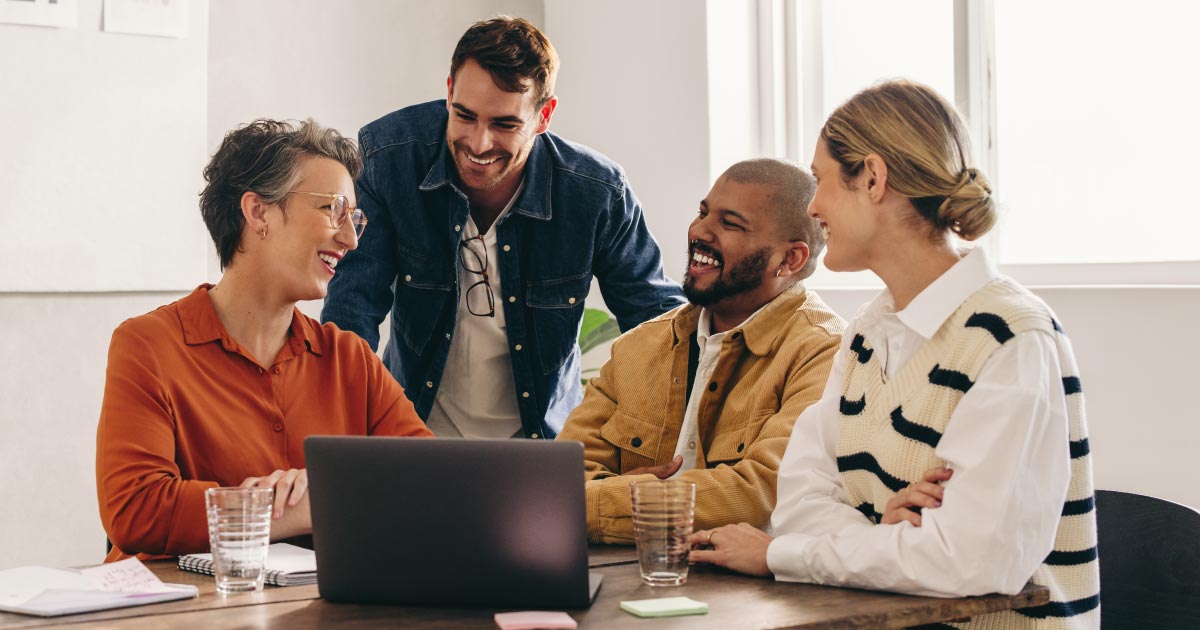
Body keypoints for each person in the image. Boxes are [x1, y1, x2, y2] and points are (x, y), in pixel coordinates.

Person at [689, 80, 1099, 629]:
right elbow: (797, 504)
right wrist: (884, 536)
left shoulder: (1013, 338)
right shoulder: (866, 333)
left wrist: (776, 556)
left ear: (874, 179)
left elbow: (968, 565)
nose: (812, 206)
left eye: (821, 180)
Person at [320, 16, 684, 440]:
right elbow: (353, 311)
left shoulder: (597, 193)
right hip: (413, 435)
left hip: (541, 446)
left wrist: (642, 445)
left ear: (544, 115)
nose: (478, 143)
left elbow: (659, 328)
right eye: (465, 116)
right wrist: (345, 441)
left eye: (505, 124)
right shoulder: (389, 157)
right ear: (449, 92)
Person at [96, 119, 432, 562]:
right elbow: (136, 510)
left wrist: (322, 496)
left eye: (355, 218)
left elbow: (430, 485)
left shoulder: (350, 359)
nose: (350, 239)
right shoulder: (148, 346)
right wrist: (288, 511)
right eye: (333, 209)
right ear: (257, 213)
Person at [556, 158, 844, 543]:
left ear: (789, 259)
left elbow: (760, 493)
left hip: (760, 594)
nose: (699, 231)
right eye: (703, 212)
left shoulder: (824, 352)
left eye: (730, 223)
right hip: (631, 573)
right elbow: (562, 479)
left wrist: (619, 499)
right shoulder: (639, 346)